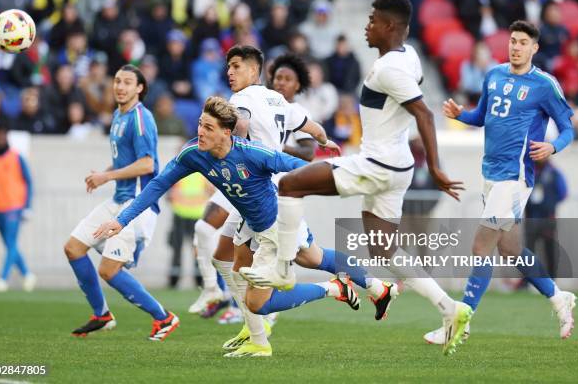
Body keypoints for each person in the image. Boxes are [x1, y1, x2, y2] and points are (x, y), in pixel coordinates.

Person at [238, 0, 471, 356]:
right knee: (383, 249)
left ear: (390, 27)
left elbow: (424, 114)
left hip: (377, 164)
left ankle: (283, 269)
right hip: (398, 167)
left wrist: (438, 167)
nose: (367, 26)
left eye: (373, 20)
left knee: (289, 185)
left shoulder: (388, 69)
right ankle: (449, 309)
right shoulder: (409, 56)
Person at [94, 97, 391, 357]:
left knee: (257, 301)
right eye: (200, 124)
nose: (200, 132)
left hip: (276, 227)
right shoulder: (193, 153)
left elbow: (300, 169)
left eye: (208, 128)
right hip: (251, 223)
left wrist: (350, 176)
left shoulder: (253, 153)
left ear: (226, 132)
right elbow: (158, 184)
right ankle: (257, 334)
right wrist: (121, 220)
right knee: (257, 260)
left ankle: (332, 289)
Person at [423, 20, 576, 345]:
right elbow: (482, 117)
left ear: (534, 48)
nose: (516, 46)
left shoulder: (544, 85)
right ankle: (558, 297)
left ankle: (459, 321)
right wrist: (461, 115)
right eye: (513, 41)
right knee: (510, 249)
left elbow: (568, 128)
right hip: (490, 174)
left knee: (481, 246)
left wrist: (553, 146)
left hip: (516, 176)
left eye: (523, 42)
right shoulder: (493, 75)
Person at [189, 45, 336, 321]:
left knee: (306, 258)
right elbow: (315, 129)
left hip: (257, 183)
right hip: (264, 182)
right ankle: (236, 306)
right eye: (229, 67)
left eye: (236, 66)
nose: (229, 72)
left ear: (254, 70)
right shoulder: (280, 103)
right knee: (226, 252)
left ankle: (263, 305)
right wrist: (327, 142)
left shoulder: (244, 99)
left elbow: (241, 124)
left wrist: (228, 151)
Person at [62, 64, 179, 341]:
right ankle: (101, 314)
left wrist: (107, 175)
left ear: (139, 88)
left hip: (137, 204)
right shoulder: (117, 115)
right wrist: (104, 175)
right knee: (74, 248)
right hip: (118, 199)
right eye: (117, 81)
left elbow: (147, 163)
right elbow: (123, 161)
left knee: (108, 269)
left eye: (127, 82)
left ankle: (164, 317)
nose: (120, 86)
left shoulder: (141, 118)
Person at [0, 121, 36, 292]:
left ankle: (3, 278)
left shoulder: (16, 156)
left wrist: (28, 206)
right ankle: (27, 274)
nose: (1, 137)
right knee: (9, 244)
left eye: (3, 133)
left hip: (15, 206)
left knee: (11, 243)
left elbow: (29, 181)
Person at [269, 52, 316, 161]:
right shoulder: (262, 106)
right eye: (278, 78)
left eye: (288, 79)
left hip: (283, 175)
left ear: (297, 85)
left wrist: (280, 146)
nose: (281, 82)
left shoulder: (299, 112)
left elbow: (309, 153)